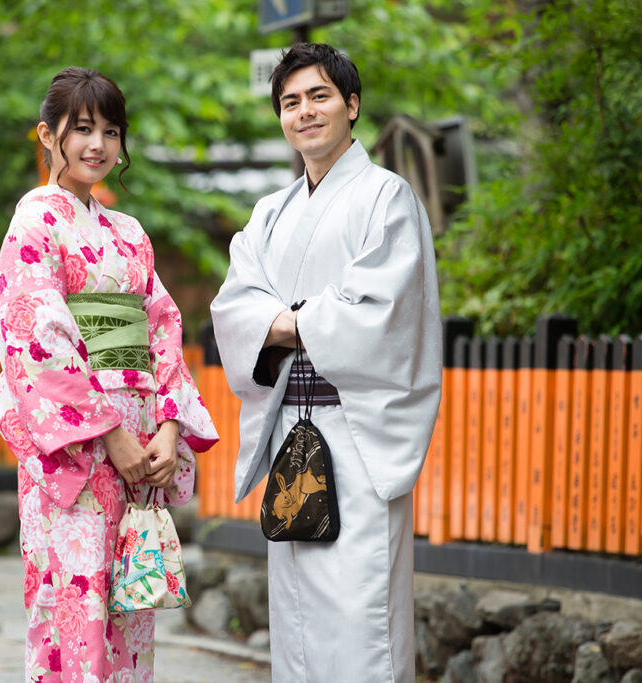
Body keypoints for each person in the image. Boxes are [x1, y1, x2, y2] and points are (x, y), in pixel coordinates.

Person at [0, 67, 218, 683]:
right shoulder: (35, 223)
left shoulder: (129, 234)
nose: (98, 145)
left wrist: (167, 427)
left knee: (129, 610)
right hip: (80, 448)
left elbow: (163, 326)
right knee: (74, 603)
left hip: (139, 437)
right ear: (47, 135)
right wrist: (109, 434)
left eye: (111, 131)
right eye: (81, 129)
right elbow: (35, 335)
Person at [209, 43, 442, 681]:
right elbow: (234, 309)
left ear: (352, 105)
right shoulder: (269, 214)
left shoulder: (387, 199)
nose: (304, 112)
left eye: (319, 96)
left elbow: (377, 309)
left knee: (360, 611)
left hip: (357, 428)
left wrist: (282, 322)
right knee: (297, 614)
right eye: (290, 102)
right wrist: (304, 319)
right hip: (292, 425)